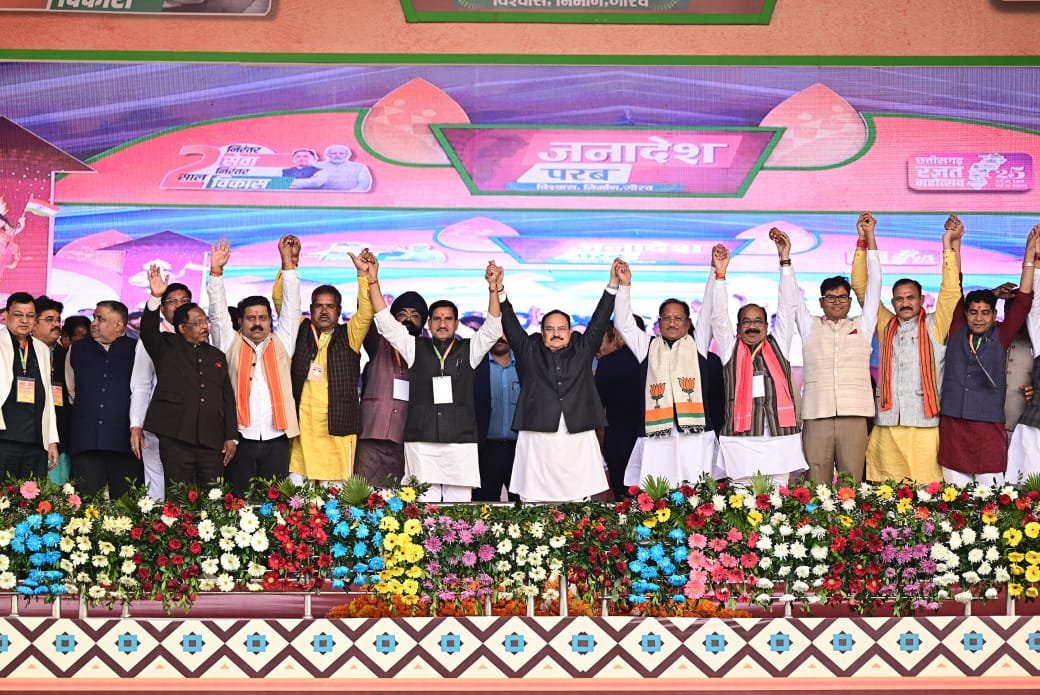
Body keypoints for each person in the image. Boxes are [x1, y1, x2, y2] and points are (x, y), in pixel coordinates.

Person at [370, 259, 504, 502]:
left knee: (459, 506)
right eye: (437, 319)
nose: (442, 324)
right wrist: (372, 281)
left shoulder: (469, 349)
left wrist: (494, 288)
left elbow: (493, 328)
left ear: (456, 323)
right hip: (422, 440)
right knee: (423, 506)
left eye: (448, 319)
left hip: (459, 442)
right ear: (429, 323)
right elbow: (386, 323)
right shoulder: (414, 346)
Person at [852, 215, 963, 484]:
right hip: (887, 424)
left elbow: (951, 291)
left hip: (925, 425)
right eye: (899, 299)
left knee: (926, 494)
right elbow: (861, 287)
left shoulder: (936, 324)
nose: (905, 303)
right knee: (885, 494)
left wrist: (948, 245)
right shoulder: (885, 324)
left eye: (910, 297)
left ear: (922, 299)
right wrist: (865, 239)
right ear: (892, 302)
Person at [499, 261, 617, 503]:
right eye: (550, 329)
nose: (555, 333)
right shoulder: (530, 350)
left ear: (570, 331)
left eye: (561, 328)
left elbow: (600, 319)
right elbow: (510, 324)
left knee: (578, 499)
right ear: (542, 332)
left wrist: (613, 284)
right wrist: (499, 290)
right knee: (535, 498)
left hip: (576, 433)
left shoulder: (582, 349)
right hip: (537, 435)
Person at [779, 215, 881, 484]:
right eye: (831, 297)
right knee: (816, 485)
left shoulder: (863, 325)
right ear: (821, 302)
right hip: (817, 415)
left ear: (850, 301)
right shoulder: (810, 326)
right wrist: (785, 260)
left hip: (854, 415)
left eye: (843, 297)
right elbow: (792, 297)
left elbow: (875, 285)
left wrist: (869, 238)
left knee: (851, 485)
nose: (837, 302)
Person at [612, 262, 727, 491]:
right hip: (657, 437)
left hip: (695, 436)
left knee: (695, 492)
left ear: (688, 323)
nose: (672, 322)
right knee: (657, 493)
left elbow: (708, 310)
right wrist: (624, 286)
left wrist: (717, 272)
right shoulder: (647, 346)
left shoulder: (698, 344)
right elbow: (623, 323)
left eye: (678, 318)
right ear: (659, 323)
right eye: (666, 318)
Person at [938, 228, 1037, 485]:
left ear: (994, 315)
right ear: (966, 314)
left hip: (987, 426)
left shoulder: (1001, 335)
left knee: (991, 494)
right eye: (973, 312)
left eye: (985, 313)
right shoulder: (957, 330)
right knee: (954, 496)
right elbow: (954, 285)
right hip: (953, 423)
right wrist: (955, 242)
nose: (979, 318)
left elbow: (1023, 301)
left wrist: (1029, 254)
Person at [706, 244, 809, 488]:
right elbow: (719, 316)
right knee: (740, 501)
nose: (752, 327)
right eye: (746, 322)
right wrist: (720, 275)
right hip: (741, 440)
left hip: (778, 437)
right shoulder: (730, 349)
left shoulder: (779, 344)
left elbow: (787, 307)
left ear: (766, 325)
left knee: (777, 500)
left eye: (758, 321)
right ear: (738, 327)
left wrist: (785, 262)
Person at [208, 236, 302, 498]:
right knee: (239, 503)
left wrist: (288, 264)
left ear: (271, 321)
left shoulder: (283, 342)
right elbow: (217, 313)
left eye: (263, 318)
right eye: (251, 318)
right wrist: (216, 273)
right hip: (239, 438)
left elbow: (292, 308)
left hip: (277, 437)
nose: (257, 323)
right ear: (240, 321)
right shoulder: (229, 342)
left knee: (274, 505)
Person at [141, 265, 237, 489]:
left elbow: (227, 398)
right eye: (197, 323)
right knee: (179, 496)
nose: (204, 327)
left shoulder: (216, 355)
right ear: (182, 328)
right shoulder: (166, 346)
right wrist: (155, 297)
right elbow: (147, 331)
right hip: (176, 437)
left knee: (212, 497)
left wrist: (231, 436)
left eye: (205, 321)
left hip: (212, 440)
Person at [289, 251, 375, 485]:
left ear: (338, 310)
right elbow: (282, 304)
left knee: (334, 496)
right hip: (303, 429)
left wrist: (362, 275)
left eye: (330, 306)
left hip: (337, 428)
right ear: (311, 309)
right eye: (319, 306)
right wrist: (289, 265)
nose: (324, 311)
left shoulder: (350, 335)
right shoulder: (300, 329)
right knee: (299, 496)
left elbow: (366, 312)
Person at [67, 300, 141, 500]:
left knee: (126, 507)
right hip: (86, 443)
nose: (94, 323)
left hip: (125, 444)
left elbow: (142, 391)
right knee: (86, 506)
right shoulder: (77, 349)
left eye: (100, 319)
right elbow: (71, 390)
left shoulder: (137, 350)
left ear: (118, 324)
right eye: (94, 317)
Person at [355, 291, 428, 488]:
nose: (408, 320)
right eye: (402, 314)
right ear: (392, 319)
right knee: (364, 497)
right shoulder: (377, 343)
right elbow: (364, 314)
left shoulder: (428, 352)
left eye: (415, 316)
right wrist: (366, 281)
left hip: (406, 442)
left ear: (423, 323)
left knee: (402, 499)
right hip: (372, 436)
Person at [130, 280, 193, 500]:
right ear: (163, 308)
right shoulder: (151, 339)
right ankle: (155, 521)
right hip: (156, 423)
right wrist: (136, 424)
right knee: (156, 481)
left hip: (192, 424)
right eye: (172, 302)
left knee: (187, 486)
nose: (179, 305)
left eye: (184, 301)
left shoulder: (204, 337)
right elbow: (141, 385)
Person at [0, 292, 59, 481]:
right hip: (4, 439)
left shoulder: (41, 349)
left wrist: (51, 440)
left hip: (35, 442)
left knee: (32, 496)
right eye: (18, 315)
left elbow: (48, 398)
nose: (24, 320)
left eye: (30, 315)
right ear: (6, 315)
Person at [595, 319, 645, 500]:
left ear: (619, 335)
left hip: (618, 444)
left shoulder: (608, 363)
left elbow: (597, 409)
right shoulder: (657, 359)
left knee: (623, 503)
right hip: (653, 443)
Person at [473, 335, 522, 503]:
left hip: (520, 452)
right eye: (496, 331)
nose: (500, 337)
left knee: (524, 509)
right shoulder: (475, 365)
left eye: (505, 332)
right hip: (485, 452)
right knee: (484, 509)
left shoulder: (525, 365)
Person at [32, 296, 71, 485]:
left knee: (58, 493)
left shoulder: (69, 355)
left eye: (58, 320)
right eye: (49, 320)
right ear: (33, 323)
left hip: (61, 435)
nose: (56, 324)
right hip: (28, 435)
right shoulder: (20, 353)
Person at [291, 144, 373, 192]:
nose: (337, 155)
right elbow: (303, 183)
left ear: (348, 155)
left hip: (350, 198)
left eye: (341, 153)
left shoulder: (359, 167)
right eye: (334, 153)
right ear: (328, 155)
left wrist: (349, 195)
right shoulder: (317, 166)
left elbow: (364, 185)